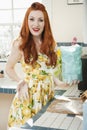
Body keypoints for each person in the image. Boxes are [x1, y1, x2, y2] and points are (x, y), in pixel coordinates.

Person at [6, 2, 68, 128]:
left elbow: (48, 73)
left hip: (48, 97)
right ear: (26, 21)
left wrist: (62, 83)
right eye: (32, 19)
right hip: (28, 99)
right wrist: (20, 81)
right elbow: (8, 68)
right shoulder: (20, 44)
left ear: (45, 23)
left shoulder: (50, 45)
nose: (36, 24)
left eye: (40, 20)